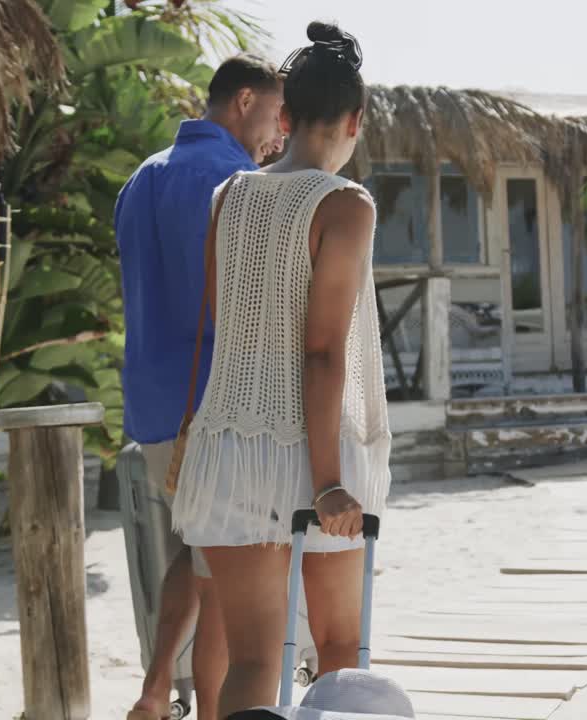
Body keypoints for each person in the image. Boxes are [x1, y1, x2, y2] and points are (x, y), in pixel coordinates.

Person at [167, 21, 392, 717]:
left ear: (285, 116)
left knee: (253, 659)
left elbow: (218, 324)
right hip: (315, 452)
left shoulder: (228, 196)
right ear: (355, 119)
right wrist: (326, 481)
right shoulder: (346, 205)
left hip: (229, 447)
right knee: (340, 650)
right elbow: (322, 350)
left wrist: (186, 433)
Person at [114, 54, 285, 720]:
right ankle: (193, 706)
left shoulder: (141, 176)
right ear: (244, 101)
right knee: (223, 582)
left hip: (153, 401)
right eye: (275, 114)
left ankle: (158, 689)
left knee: (199, 553)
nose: (278, 134)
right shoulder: (235, 180)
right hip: (215, 400)